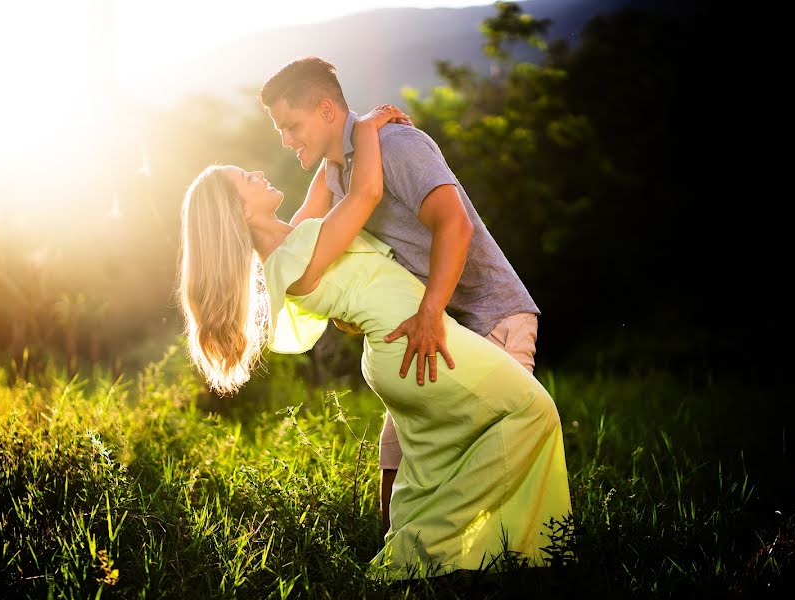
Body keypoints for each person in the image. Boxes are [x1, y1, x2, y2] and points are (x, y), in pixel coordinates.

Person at [178, 104, 572, 579]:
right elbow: (364, 191)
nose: (258, 173)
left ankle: (446, 561)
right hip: (409, 339)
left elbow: (327, 178)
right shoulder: (289, 257)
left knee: (427, 462)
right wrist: (364, 128)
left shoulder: (295, 238)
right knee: (532, 411)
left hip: (398, 344)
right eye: (247, 178)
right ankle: (439, 555)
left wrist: (342, 130)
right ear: (240, 210)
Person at [259, 57, 542, 534]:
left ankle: (507, 570)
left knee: (493, 463)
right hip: (433, 325)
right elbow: (302, 242)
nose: (286, 140)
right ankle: (397, 567)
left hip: (488, 318)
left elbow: (455, 224)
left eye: (291, 125)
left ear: (326, 110)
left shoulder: (397, 145)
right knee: (396, 455)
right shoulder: (337, 170)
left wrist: (430, 311)